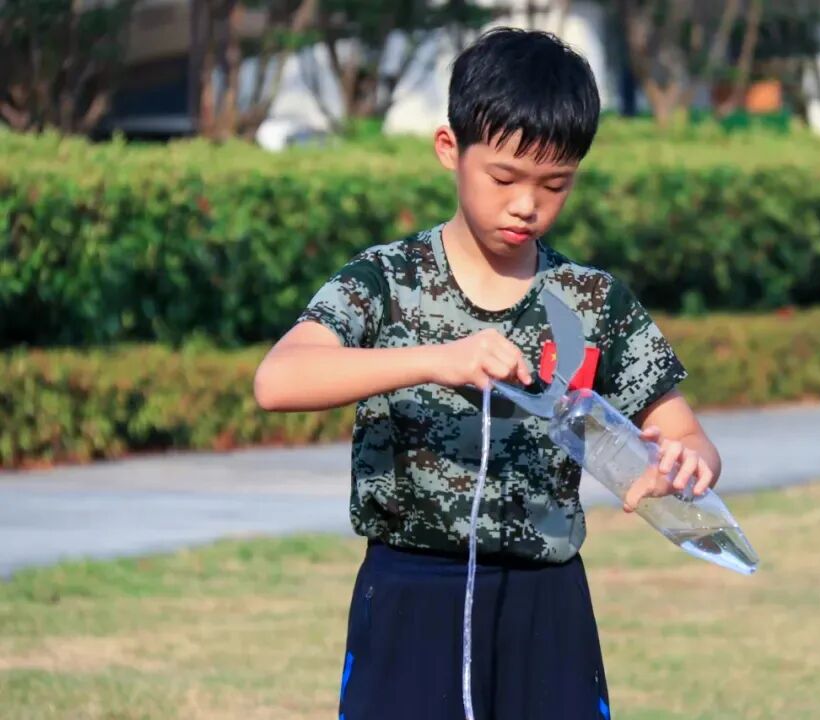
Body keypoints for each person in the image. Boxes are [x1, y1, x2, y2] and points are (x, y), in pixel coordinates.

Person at [253, 26, 722, 720]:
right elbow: (278, 380)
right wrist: (436, 359)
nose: (527, 204)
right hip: (410, 592)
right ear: (450, 148)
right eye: (504, 178)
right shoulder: (386, 281)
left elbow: (681, 431)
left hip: (546, 603)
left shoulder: (592, 301)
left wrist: (686, 461)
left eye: (555, 184)